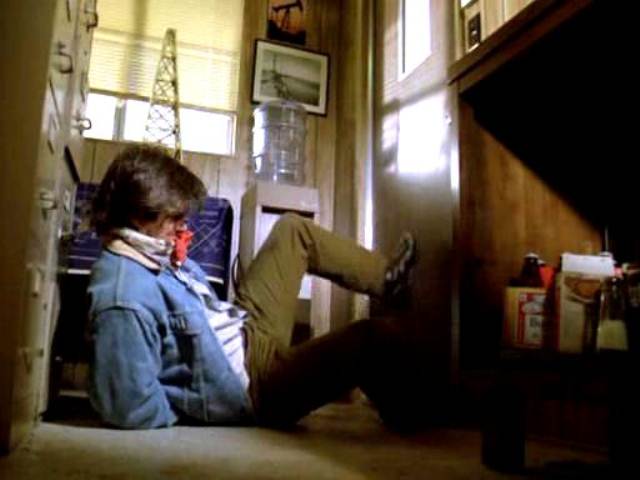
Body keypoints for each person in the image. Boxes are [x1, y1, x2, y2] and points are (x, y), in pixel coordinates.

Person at [87, 144, 422, 430]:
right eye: (173, 217)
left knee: (293, 230)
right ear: (137, 215)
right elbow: (129, 408)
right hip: (255, 385)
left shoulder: (148, 249)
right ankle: (414, 414)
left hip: (247, 331)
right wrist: (191, 407)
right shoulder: (124, 295)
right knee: (370, 340)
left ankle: (387, 280)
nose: (182, 225)